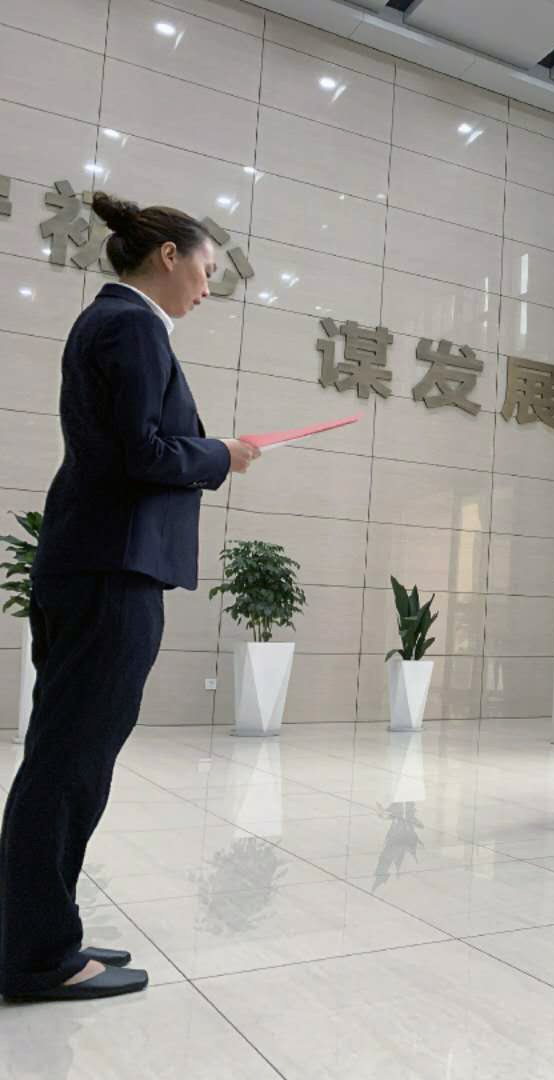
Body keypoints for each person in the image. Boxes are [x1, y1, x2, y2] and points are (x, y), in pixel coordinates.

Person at [0, 194, 261, 1003]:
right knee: (70, 764)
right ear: (168, 256)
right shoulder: (133, 326)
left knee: (64, 756)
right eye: (206, 269)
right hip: (112, 568)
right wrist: (218, 454)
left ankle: (39, 933)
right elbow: (143, 453)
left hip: (93, 562)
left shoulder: (111, 322)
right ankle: (38, 956)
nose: (208, 288)